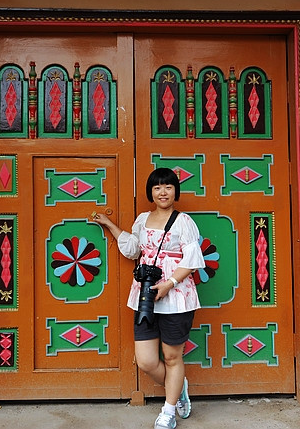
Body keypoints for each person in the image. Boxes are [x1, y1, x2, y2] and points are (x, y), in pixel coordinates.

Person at [92, 167, 205, 429]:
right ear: (150, 193)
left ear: (175, 190)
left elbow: (192, 258)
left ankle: (167, 411)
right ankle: (178, 387)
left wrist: (170, 283)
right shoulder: (142, 219)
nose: (162, 192)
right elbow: (134, 250)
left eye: (167, 187)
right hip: (145, 295)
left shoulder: (183, 221)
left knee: (172, 356)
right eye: (157, 187)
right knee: (146, 360)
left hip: (176, 296)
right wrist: (110, 225)